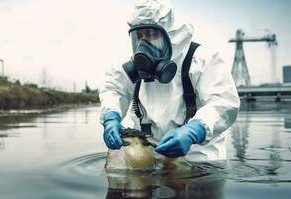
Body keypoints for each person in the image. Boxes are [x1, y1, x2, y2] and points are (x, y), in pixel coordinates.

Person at [99, 0, 240, 161]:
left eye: (151, 35)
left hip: (199, 157)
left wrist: (196, 130)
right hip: (149, 156)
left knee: (197, 184)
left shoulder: (202, 59)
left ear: (169, 35)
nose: (143, 45)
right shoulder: (133, 66)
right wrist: (111, 116)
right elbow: (113, 88)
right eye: (139, 36)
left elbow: (223, 102)